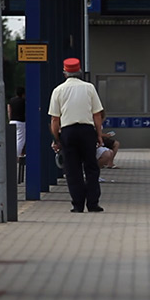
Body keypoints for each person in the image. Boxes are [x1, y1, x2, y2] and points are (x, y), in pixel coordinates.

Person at [48, 57, 105, 213]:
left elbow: (54, 119)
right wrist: (99, 135)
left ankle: (77, 205)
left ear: (64, 73)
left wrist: (56, 139)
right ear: (80, 72)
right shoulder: (89, 88)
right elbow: (97, 114)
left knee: (72, 169)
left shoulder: (58, 90)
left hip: (68, 132)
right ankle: (93, 204)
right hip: (87, 131)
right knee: (91, 167)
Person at [8, 87, 26, 157]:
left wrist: (10, 119)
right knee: (20, 140)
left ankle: (10, 155)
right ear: (23, 94)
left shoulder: (11, 100)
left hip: (12, 121)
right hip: (21, 122)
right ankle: (16, 156)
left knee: (13, 140)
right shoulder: (23, 101)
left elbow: (9, 110)